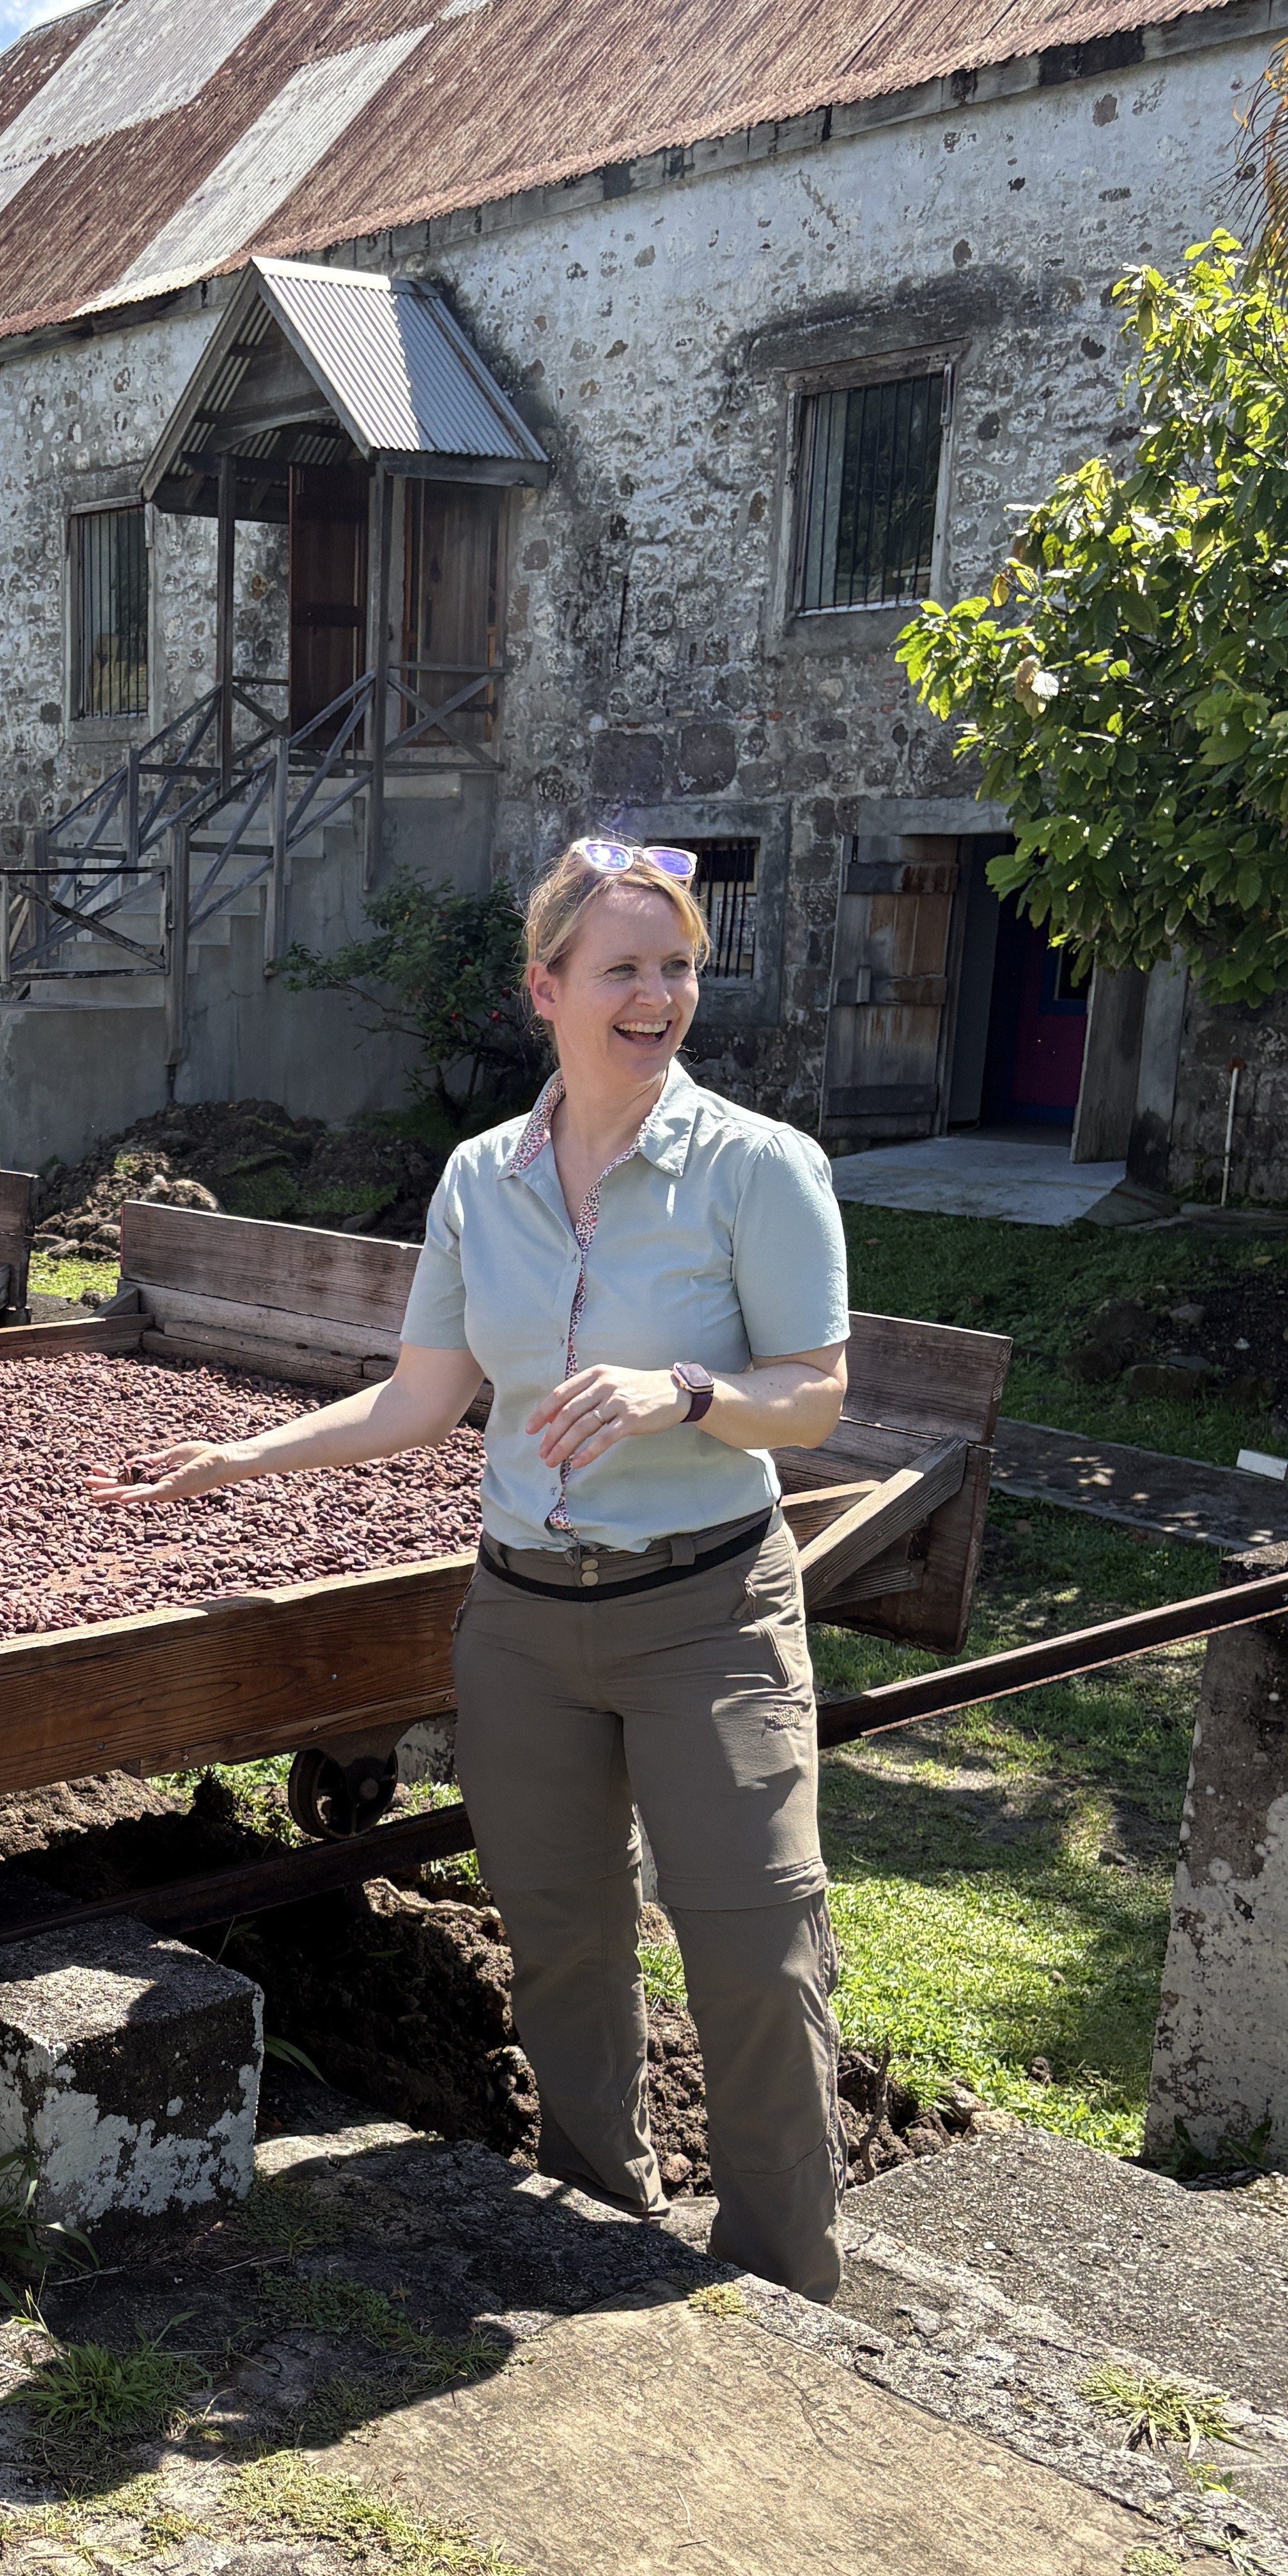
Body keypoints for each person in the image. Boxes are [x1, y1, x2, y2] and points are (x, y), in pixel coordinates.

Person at [90, 834, 853, 2296]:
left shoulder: (761, 1168)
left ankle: (786, 2284)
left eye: (677, 966)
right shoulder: (478, 1179)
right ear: (545, 989)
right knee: (563, 1945)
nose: (657, 995)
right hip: (524, 1617)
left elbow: (814, 1396)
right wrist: (243, 1460)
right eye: (622, 968)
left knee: (754, 1947)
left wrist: (679, 1389)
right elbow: (423, 1397)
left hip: (710, 1607)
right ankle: (594, 2220)